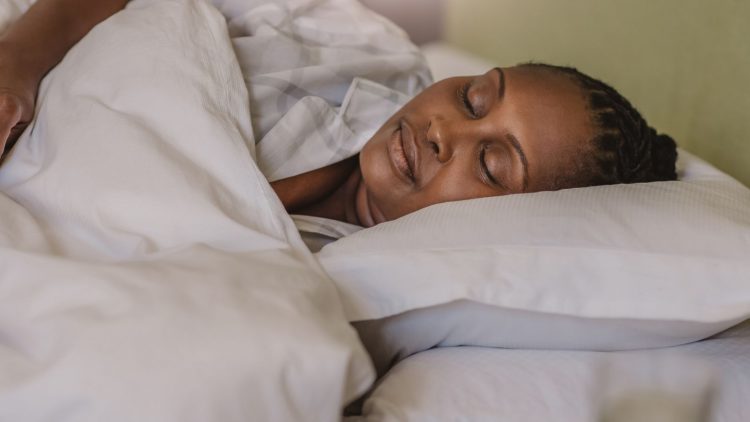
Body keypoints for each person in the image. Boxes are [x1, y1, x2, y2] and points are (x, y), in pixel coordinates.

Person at [0, 0, 677, 230]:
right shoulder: (368, 51)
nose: (445, 131)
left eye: (493, 165)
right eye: (473, 97)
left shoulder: (359, 292)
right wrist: (19, 67)